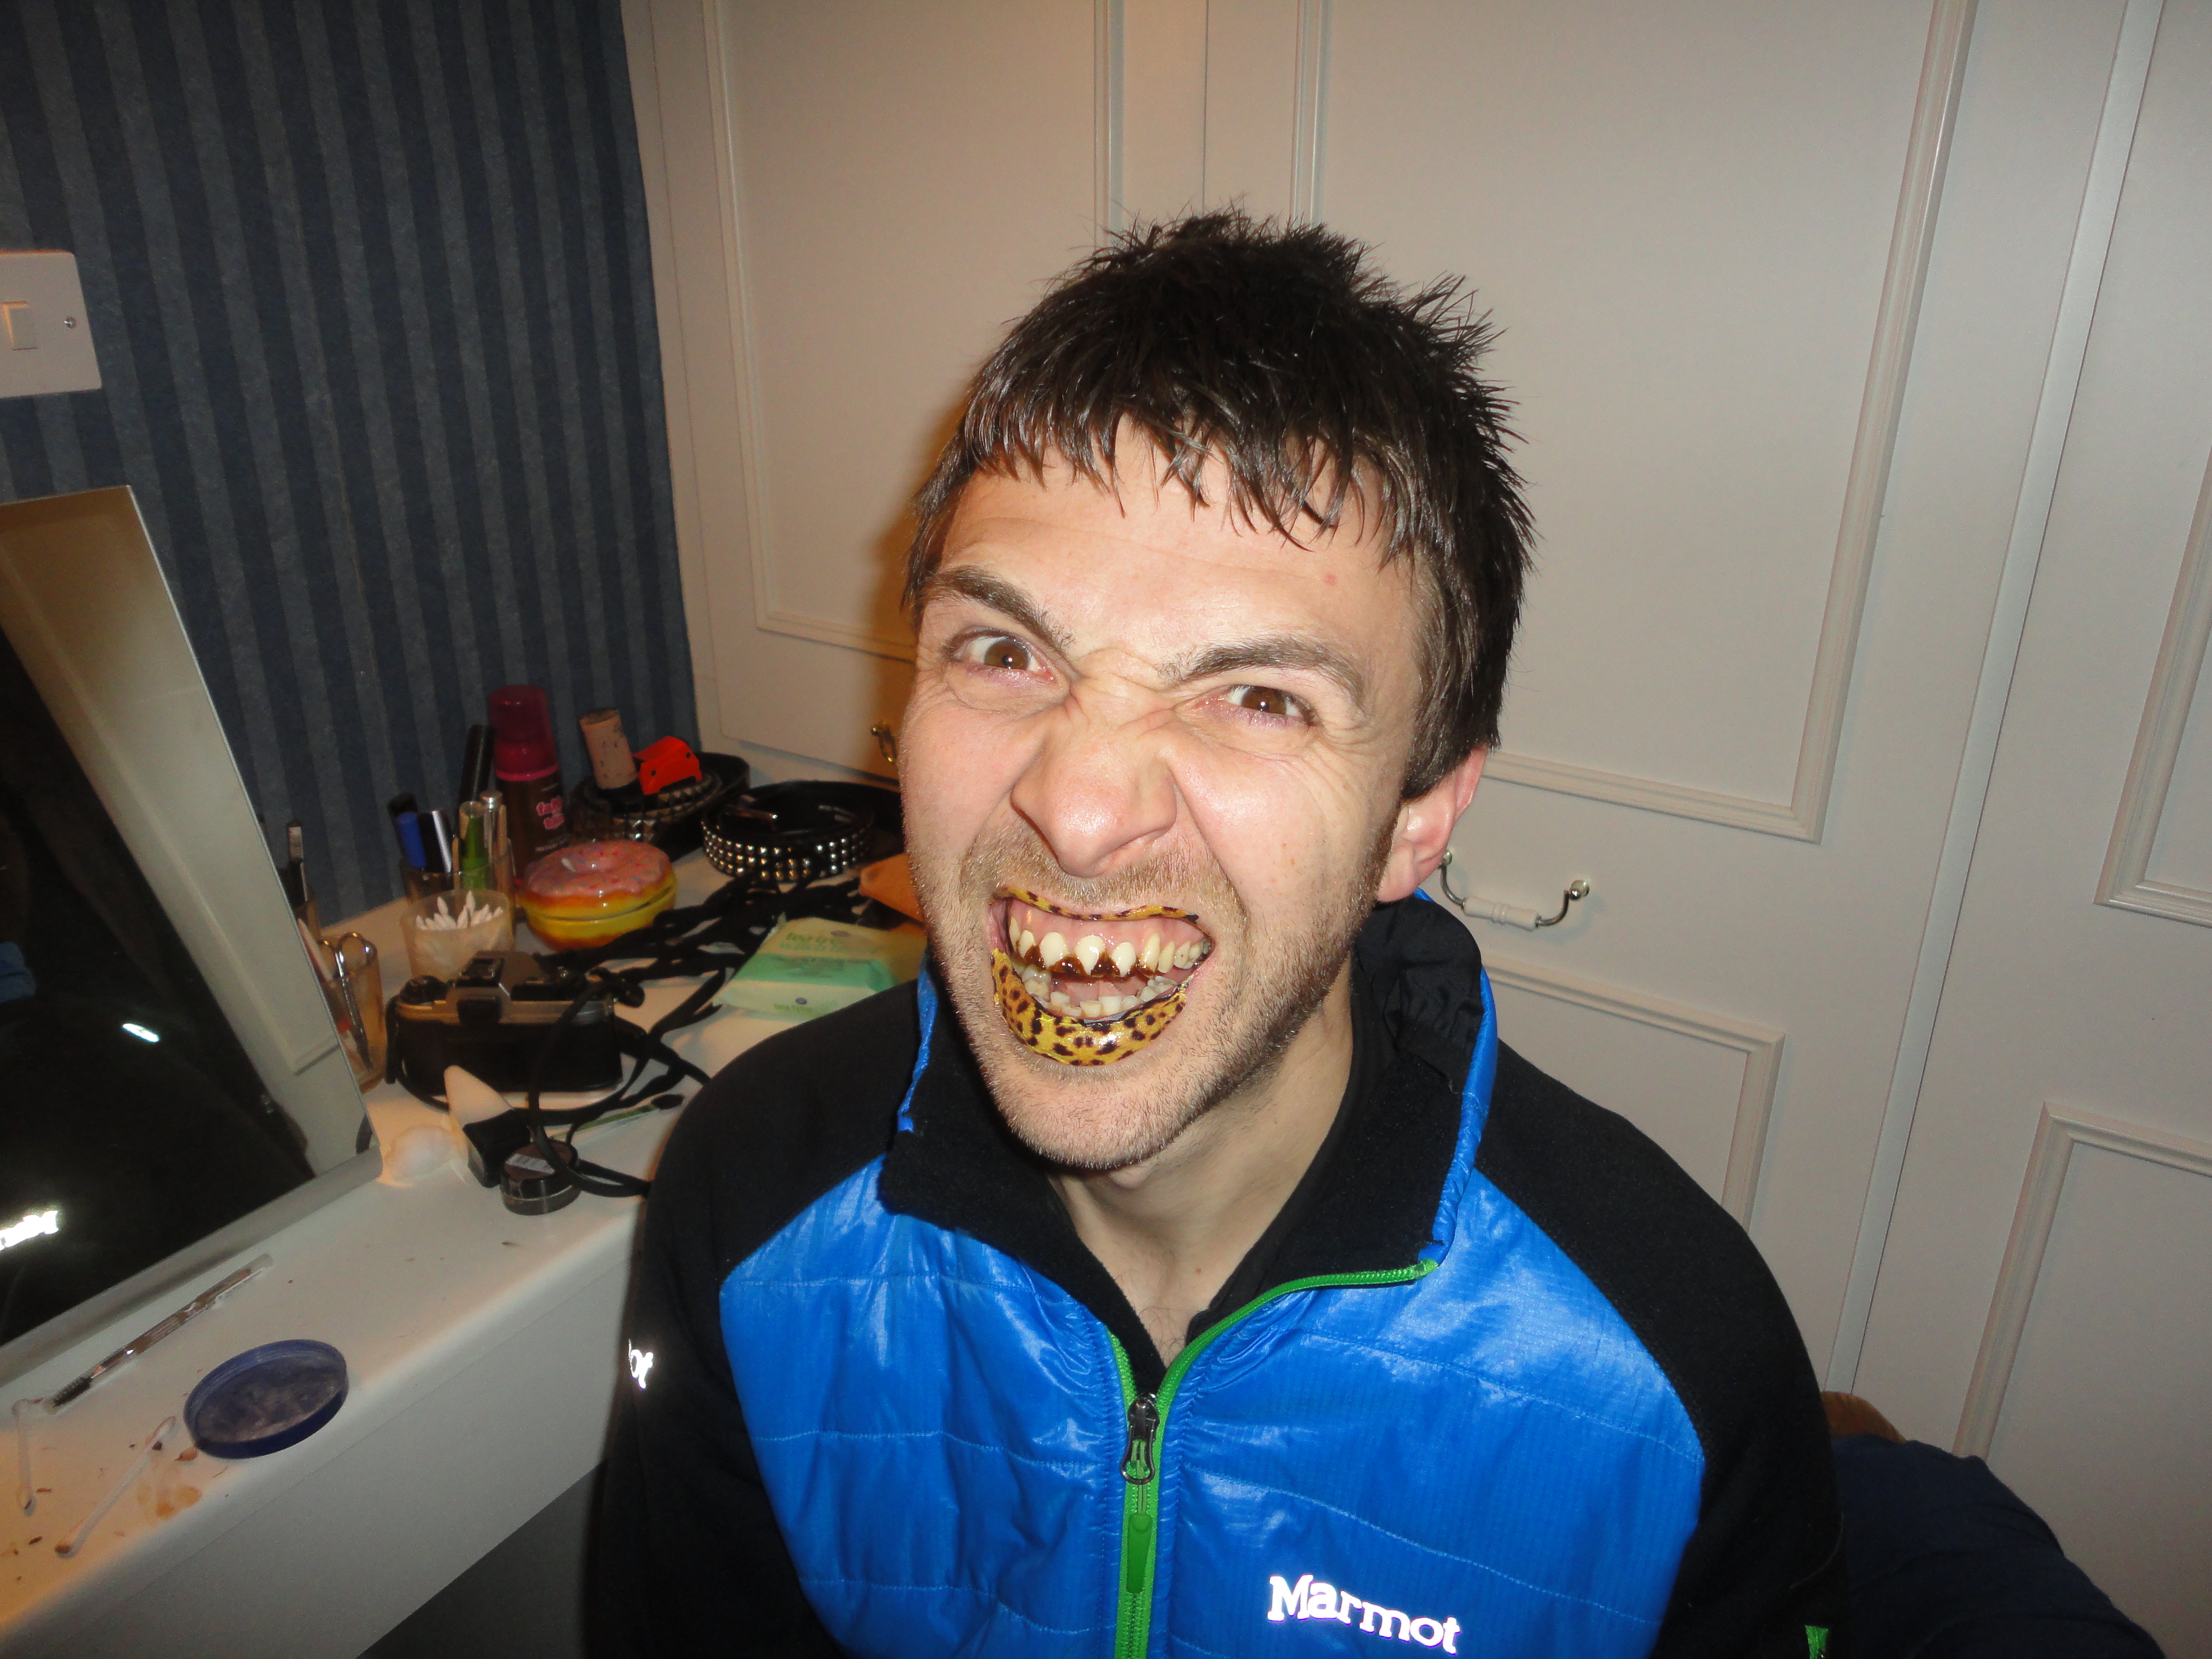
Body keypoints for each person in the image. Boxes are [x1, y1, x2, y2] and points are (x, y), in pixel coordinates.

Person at [597, 212, 1848, 1657]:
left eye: (1259, 698)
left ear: (1419, 817)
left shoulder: (1672, 1363)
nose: (1078, 811)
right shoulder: (748, 1195)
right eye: (1005, 652)